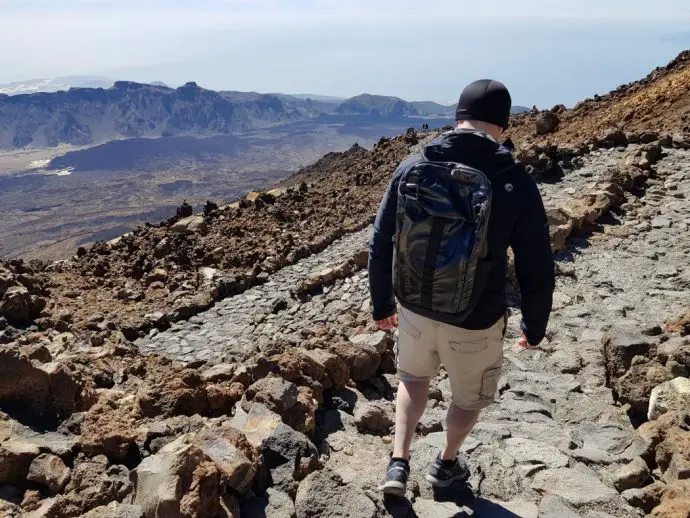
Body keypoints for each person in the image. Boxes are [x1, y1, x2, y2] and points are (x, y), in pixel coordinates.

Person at [368, 79, 555, 497]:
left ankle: (398, 462)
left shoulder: (414, 163)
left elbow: (382, 239)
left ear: (458, 117)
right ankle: (446, 463)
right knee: (468, 399)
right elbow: (535, 263)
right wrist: (534, 324)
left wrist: (382, 303)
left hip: (414, 305)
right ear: (503, 126)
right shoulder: (514, 180)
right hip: (475, 318)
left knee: (413, 380)